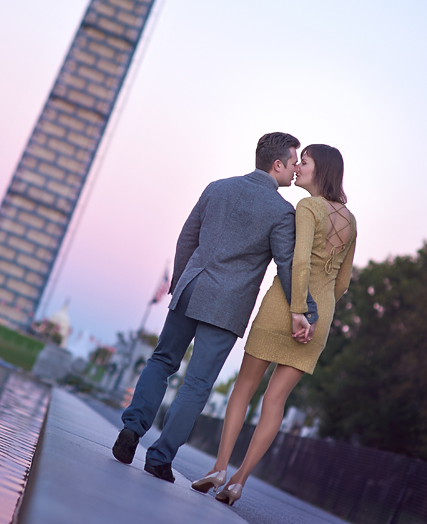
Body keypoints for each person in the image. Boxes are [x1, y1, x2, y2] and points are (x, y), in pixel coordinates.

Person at [112, 132, 318, 482]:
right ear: (278, 164)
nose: (296, 167)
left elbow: (186, 238)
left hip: (191, 287)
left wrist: (179, 282)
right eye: (293, 161)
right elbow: (287, 265)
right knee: (197, 383)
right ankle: (159, 458)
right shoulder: (282, 212)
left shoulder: (216, 187)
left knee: (161, 361)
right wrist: (306, 309)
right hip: (227, 304)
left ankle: (132, 429)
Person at [192, 144, 357, 506]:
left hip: (286, 306)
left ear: (321, 170)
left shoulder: (306, 207)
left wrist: (298, 309)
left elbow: (297, 261)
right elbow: (342, 282)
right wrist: (316, 315)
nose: (298, 167)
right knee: (276, 401)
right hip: (321, 317)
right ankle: (238, 481)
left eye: (306, 162)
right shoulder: (350, 219)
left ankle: (219, 467)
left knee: (245, 387)